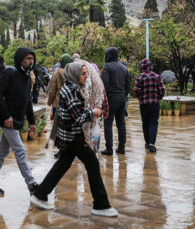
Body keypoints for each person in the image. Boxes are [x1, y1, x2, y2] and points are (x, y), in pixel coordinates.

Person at [30, 62, 118, 217]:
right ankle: (101, 204)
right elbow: (79, 117)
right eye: (83, 73)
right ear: (75, 75)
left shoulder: (73, 87)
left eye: (86, 73)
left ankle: (40, 194)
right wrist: (94, 112)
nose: (86, 76)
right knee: (92, 163)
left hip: (68, 136)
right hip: (74, 136)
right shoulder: (71, 90)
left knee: (63, 164)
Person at [0, 48, 39, 196]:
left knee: (2, 151)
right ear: (20, 59)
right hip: (7, 120)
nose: (31, 61)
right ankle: (32, 185)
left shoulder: (27, 78)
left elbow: (27, 102)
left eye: (32, 58)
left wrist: (32, 122)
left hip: (16, 120)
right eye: (28, 58)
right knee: (20, 151)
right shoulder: (10, 73)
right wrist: (7, 115)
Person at [100, 47, 131, 156]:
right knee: (121, 123)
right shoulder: (124, 68)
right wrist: (124, 95)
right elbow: (128, 85)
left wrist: (103, 100)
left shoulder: (107, 67)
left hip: (111, 98)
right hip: (122, 97)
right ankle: (121, 148)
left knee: (108, 123)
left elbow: (104, 85)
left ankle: (109, 149)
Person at [134, 59, 166, 153]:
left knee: (145, 123)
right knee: (153, 123)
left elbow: (136, 91)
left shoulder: (139, 77)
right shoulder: (157, 76)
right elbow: (162, 90)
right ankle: (152, 144)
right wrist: (159, 97)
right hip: (154, 103)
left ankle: (147, 142)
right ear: (150, 66)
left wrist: (140, 97)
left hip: (143, 104)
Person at [47, 54, 73, 157]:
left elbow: (52, 91)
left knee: (58, 126)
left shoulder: (56, 73)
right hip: (71, 103)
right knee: (68, 126)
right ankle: (70, 148)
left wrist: (49, 102)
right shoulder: (73, 72)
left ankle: (61, 149)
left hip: (58, 103)